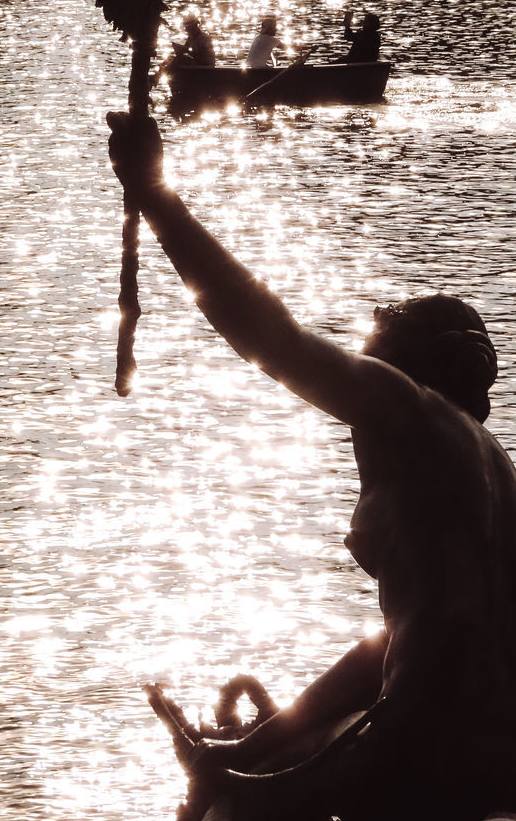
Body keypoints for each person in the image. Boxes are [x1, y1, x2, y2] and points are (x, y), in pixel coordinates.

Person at [106, 114, 516, 821]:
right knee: (245, 782)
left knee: (228, 814)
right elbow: (395, 643)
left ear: (405, 367)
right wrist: (255, 746)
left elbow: (274, 340)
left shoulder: (410, 411)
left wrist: (158, 198)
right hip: (488, 751)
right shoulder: (485, 469)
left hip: (434, 753)